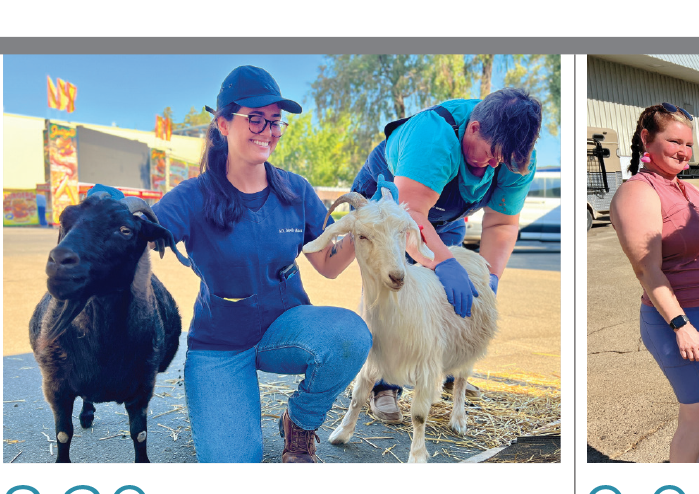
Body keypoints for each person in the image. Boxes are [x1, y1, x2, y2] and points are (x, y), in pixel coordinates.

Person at [153, 65, 367, 463]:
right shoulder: (192, 196)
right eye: (255, 119)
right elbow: (146, 230)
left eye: (275, 122)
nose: (267, 131)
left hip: (283, 331)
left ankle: (299, 424)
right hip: (219, 345)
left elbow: (329, 266)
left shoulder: (296, 191)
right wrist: (117, 220)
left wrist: (362, 230)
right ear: (222, 123)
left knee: (350, 335)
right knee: (234, 464)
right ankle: (222, 400)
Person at [347, 86, 543, 422]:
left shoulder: (513, 156)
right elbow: (409, 220)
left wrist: (490, 276)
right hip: (391, 209)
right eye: (491, 153)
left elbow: (502, 225)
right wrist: (442, 263)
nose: (495, 164)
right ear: (474, 127)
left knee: (450, 295)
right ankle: (383, 384)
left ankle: (448, 368)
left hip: (443, 214)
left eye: (503, 159)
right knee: (395, 294)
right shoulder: (433, 138)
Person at [612, 103, 699, 463]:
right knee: (698, 415)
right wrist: (681, 325)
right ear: (646, 139)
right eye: (674, 141)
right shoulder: (638, 193)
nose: (683, 152)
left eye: (688, 145)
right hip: (680, 321)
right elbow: (647, 270)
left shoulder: (690, 191)